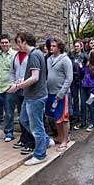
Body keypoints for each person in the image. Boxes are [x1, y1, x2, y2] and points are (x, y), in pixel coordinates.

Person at [8, 32, 54, 166]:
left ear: (24, 42)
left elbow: (35, 78)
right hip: (30, 95)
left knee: (36, 126)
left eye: (18, 42)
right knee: (23, 119)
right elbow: (34, 75)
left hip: (35, 97)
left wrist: (17, 86)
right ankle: (46, 140)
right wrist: (23, 80)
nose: (18, 46)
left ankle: (40, 155)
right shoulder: (37, 53)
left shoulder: (34, 55)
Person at [9, 33, 35, 155]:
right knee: (21, 115)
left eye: (20, 41)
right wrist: (13, 83)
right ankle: (23, 138)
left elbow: (32, 75)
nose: (19, 44)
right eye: (17, 42)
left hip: (28, 89)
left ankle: (31, 141)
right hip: (17, 88)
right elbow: (12, 72)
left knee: (28, 117)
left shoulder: (31, 55)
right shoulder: (15, 56)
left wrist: (23, 84)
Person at [45, 38, 72, 152]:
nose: (51, 48)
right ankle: (60, 137)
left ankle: (65, 140)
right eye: (50, 46)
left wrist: (61, 92)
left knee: (63, 118)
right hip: (51, 93)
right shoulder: (49, 59)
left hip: (62, 94)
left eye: (54, 46)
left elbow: (69, 78)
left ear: (59, 47)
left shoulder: (65, 60)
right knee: (56, 118)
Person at [74, 49, 94, 131]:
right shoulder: (88, 64)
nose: (88, 55)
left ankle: (91, 123)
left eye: (90, 54)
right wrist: (80, 67)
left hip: (91, 89)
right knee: (83, 105)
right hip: (84, 87)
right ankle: (83, 122)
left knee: (92, 107)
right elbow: (84, 72)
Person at [69, 40, 84, 124]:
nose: (76, 48)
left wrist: (81, 67)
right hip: (73, 80)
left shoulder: (84, 56)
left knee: (82, 98)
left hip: (82, 79)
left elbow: (86, 69)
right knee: (75, 99)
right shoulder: (71, 56)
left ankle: (83, 115)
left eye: (77, 46)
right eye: (75, 46)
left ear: (81, 47)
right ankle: (76, 115)